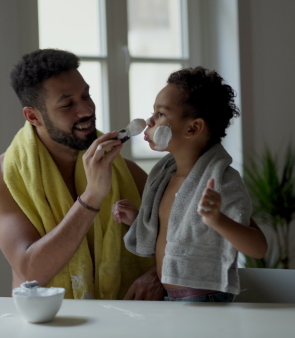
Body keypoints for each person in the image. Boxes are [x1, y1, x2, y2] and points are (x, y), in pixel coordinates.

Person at [0, 49, 160, 300]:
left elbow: (185, 237)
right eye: (67, 104)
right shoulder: (0, 174)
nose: (86, 110)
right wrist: (93, 196)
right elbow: (31, 270)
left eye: (86, 95)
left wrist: (157, 274)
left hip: (124, 320)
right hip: (48, 323)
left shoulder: (123, 170)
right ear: (33, 116)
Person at [113, 67, 268, 302]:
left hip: (204, 298)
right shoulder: (165, 177)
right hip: (170, 297)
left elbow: (258, 248)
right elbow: (175, 233)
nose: (149, 121)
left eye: (161, 114)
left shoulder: (219, 181)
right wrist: (137, 220)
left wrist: (217, 219)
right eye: (153, 112)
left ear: (193, 128)